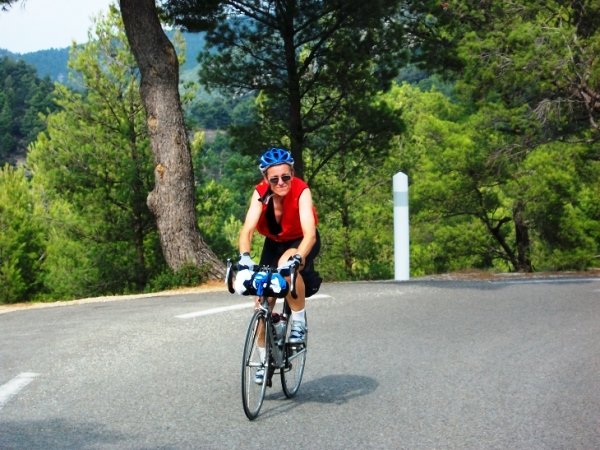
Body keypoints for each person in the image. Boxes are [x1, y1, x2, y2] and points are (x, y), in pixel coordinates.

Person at [238, 147, 321, 384]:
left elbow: (310, 234)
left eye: (286, 176)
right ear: (266, 179)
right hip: (273, 244)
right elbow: (247, 231)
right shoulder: (260, 194)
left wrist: (297, 259)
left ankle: (298, 321)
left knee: (287, 267)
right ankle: (264, 360)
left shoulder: (301, 191)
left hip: (301, 241)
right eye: (274, 179)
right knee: (260, 303)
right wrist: (245, 257)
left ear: (292, 173)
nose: (281, 182)